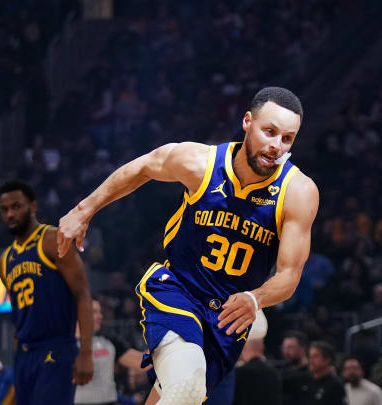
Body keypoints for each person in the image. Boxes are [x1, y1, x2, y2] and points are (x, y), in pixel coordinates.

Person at [58, 87, 319, 405]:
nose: (276, 145)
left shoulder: (298, 192)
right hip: (179, 291)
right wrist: (84, 210)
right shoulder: (200, 163)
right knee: (188, 384)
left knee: (176, 396)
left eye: (287, 139)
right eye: (270, 132)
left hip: (228, 318)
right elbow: (144, 167)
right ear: (247, 121)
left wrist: (256, 297)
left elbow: (289, 275)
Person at [0, 180, 94, 405]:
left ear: (32, 206)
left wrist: (85, 352)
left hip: (56, 347)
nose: (10, 214)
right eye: (4, 210)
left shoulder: (52, 240)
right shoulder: (5, 261)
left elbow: (83, 295)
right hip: (24, 355)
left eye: (16, 206)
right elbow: (19, 316)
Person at [75, 299, 144, 405]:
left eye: (100, 312)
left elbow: (140, 362)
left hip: (108, 401)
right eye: (94, 312)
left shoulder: (109, 340)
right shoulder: (61, 344)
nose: (100, 316)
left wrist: (163, 346)